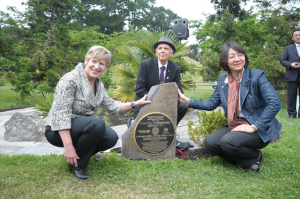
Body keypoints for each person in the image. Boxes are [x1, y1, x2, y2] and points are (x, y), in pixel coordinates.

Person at [45, 46, 150, 180]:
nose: (97, 66)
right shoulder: (70, 80)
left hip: (80, 128)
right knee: (97, 124)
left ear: (106, 67)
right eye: (94, 61)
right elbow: (61, 115)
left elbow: (111, 105)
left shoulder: (98, 83)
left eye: (102, 64)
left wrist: (136, 103)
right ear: (86, 60)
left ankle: (76, 158)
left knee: (110, 137)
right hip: (56, 130)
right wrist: (68, 147)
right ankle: (77, 166)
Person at [178, 42, 282, 172]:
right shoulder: (223, 81)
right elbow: (211, 104)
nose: (237, 59)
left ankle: (255, 158)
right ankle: (247, 160)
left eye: (240, 55)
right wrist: (186, 100)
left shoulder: (256, 76)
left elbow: (275, 103)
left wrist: (253, 126)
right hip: (236, 126)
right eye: (232, 56)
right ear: (225, 61)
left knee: (228, 142)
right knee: (210, 143)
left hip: (259, 128)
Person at [133, 36, 188, 125]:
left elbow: (179, 90)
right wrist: (156, 100)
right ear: (156, 52)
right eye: (160, 48)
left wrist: (166, 100)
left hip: (166, 102)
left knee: (182, 107)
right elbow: (140, 90)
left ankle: (170, 133)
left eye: (166, 49)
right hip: (146, 101)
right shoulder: (145, 65)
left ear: (171, 53)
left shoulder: (175, 68)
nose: (162, 51)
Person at [280, 28, 300, 119]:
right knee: (291, 96)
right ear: (293, 38)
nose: (298, 37)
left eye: (299, 35)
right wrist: (290, 64)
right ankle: (292, 114)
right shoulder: (288, 48)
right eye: (296, 35)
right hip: (292, 75)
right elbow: (283, 60)